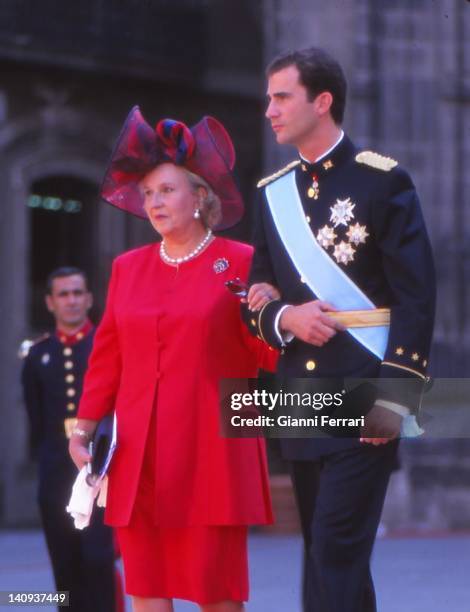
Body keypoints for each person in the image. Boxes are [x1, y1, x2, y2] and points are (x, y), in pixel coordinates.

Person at [246, 47, 436, 611]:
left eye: (282, 97)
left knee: (334, 546)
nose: (269, 110)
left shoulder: (383, 181)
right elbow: (254, 294)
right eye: (268, 98)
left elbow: (417, 296)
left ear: (322, 101)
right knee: (326, 552)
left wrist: (395, 400)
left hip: (364, 391)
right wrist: (285, 317)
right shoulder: (271, 193)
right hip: (301, 396)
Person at [68, 107, 277, 612]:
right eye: (148, 194)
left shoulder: (242, 261)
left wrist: (274, 311)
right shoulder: (127, 267)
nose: (154, 202)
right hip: (140, 457)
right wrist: (84, 426)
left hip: (211, 454)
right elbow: (108, 354)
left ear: (200, 196)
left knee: (217, 591)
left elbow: (265, 354)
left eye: (167, 190)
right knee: (146, 587)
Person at [21, 267, 118, 612]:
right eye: (63, 294)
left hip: (100, 471)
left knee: (98, 560)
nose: (72, 300)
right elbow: (36, 417)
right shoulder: (37, 355)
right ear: (50, 302)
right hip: (55, 474)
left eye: (78, 293)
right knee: (64, 566)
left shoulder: (105, 346)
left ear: (90, 299)